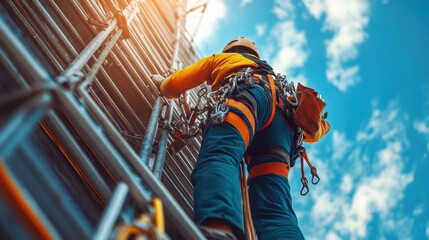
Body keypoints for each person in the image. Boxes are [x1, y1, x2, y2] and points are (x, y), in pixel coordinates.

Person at [151, 37, 330, 240]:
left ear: (229, 50)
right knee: (275, 209)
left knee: (221, 155)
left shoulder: (221, 60)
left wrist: (162, 83)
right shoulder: (280, 85)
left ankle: (219, 230)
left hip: (248, 102)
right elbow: (311, 133)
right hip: (281, 132)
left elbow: (175, 84)